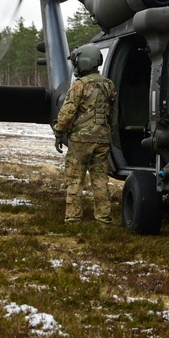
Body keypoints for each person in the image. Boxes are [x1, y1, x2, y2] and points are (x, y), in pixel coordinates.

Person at [53, 44, 118, 224]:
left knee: (74, 180)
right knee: (100, 181)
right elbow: (112, 113)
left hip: (80, 141)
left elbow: (68, 111)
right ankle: (103, 218)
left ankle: (73, 218)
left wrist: (59, 131)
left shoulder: (79, 85)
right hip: (102, 140)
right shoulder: (109, 85)